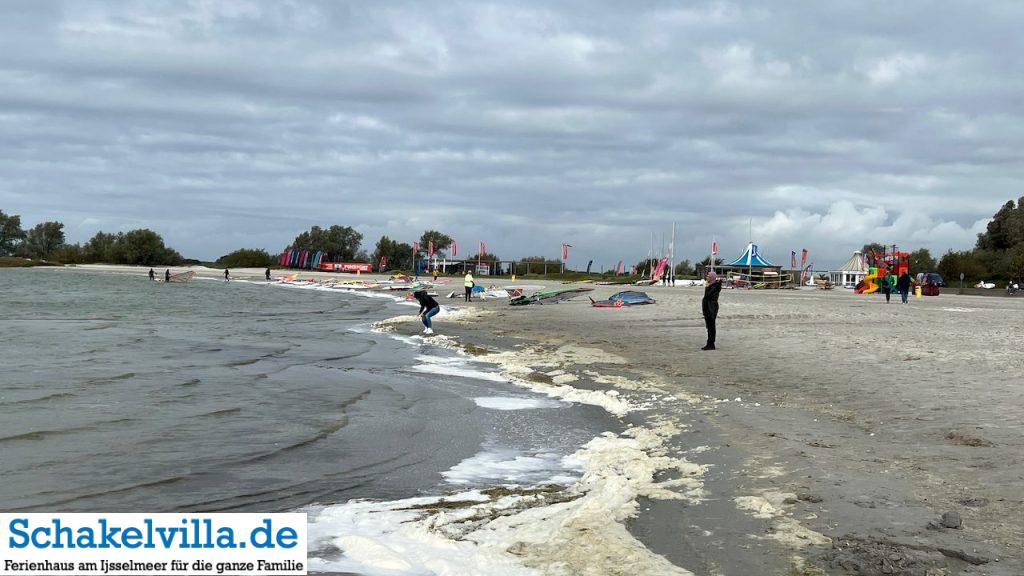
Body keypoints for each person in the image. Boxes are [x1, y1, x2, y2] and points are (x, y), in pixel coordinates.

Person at [701, 270, 722, 351]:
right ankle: (709, 343)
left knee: (711, 327)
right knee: (709, 327)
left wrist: (707, 286)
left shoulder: (714, 286)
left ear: (712, 278)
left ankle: (711, 344)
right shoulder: (712, 285)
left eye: (708, 277)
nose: (707, 278)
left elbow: (708, 296)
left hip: (711, 308)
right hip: (708, 307)